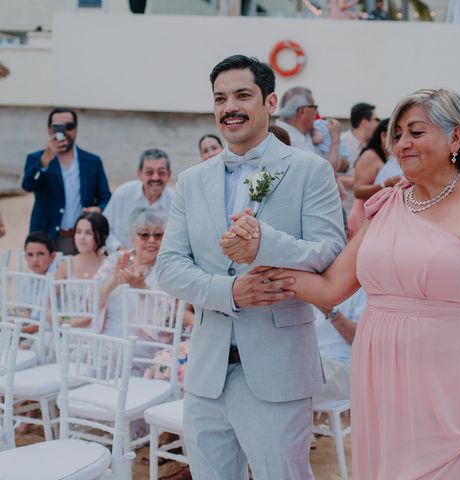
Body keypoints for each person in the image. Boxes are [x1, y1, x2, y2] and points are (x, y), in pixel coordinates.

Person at [235, 88, 460, 478]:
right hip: (379, 376)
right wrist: (262, 259)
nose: (402, 143)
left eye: (416, 132)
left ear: (455, 138)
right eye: (398, 134)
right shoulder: (387, 204)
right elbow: (331, 288)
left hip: (454, 381)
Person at [156, 55, 345, 480]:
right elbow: (168, 266)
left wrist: (265, 245)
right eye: (220, 98)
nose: (230, 107)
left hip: (278, 371)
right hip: (206, 373)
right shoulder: (190, 180)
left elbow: (330, 251)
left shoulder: (309, 171)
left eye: (243, 94)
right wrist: (229, 294)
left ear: (270, 101)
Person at [21, 108, 111, 254]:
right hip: (48, 237)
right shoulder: (36, 158)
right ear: (49, 130)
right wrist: (44, 161)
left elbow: (106, 196)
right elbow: (27, 186)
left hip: (83, 238)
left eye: (68, 127)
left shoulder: (92, 161)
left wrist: (99, 209)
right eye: (58, 127)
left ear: (76, 129)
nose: (63, 132)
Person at [96, 207, 166, 340]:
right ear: (133, 237)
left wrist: (143, 290)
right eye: (144, 235)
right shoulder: (116, 259)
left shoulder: (166, 269)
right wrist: (114, 280)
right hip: (106, 335)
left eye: (158, 235)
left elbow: (165, 321)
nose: (151, 240)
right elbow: (90, 303)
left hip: (145, 342)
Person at [103, 149, 173, 253]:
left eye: (161, 172)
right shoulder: (123, 194)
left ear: (169, 175)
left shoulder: (176, 200)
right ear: (140, 174)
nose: (155, 177)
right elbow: (104, 229)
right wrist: (120, 249)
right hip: (122, 259)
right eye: (149, 172)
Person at [347, 119, 401, 237]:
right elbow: (358, 191)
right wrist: (385, 185)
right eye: (397, 136)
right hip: (362, 215)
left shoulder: (390, 158)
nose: (400, 141)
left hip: (377, 216)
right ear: (383, 135)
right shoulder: (370, 156)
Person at [312, 288, 366, 403]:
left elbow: (365, 342)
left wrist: (331, 312)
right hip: (309, 362)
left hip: (343, 367)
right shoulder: (304, 279)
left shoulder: (362, 286)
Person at [275, 86, 345, 173]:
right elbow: (326, 174)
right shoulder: (286, 140)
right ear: (302, 111)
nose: (317, 112)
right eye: (314, 107)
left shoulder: (303, 131)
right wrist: (335, 140)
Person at [55, 212, 108, 281]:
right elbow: (52, 291)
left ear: (102, 236)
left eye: (89, 233)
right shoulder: (67, 265)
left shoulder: (111, 264)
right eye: (78, 232)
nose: (82, 237)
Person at [340, 102, 380, 175]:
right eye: (376, 119)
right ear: (364, 122)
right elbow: (332, 176)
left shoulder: (376, 144)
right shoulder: (340, 142)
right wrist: (363, 182)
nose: (378, 124)